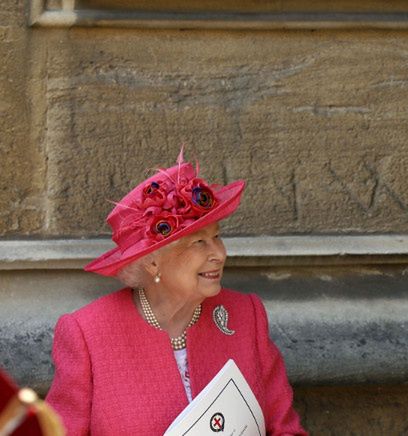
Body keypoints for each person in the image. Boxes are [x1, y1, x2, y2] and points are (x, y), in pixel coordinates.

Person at [46, 150, 306, 435]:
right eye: (198, 242)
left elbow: (286, 429)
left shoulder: (245, 315)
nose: (218, 254)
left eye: (217, 236)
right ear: (153, 260)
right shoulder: (88, 334)